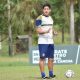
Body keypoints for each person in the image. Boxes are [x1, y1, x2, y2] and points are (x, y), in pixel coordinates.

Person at [35, 3, 57, 79]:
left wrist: (54, 32)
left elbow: (51, 28)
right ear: (43, 10)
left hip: (51, 41)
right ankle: (43, 75)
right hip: (42, 41)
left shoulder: (51, 18)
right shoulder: (39, 18)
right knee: (42, 58)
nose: (46, 10)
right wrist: (45, 32)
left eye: (48, 9)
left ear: (50, 10)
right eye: (45, 9)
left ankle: (51, 74)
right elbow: (37, 30)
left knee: (51, 58)